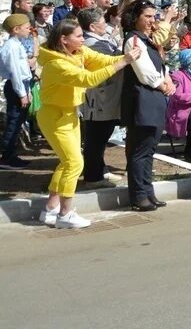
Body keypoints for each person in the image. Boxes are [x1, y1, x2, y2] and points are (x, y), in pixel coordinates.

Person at [34, 20, 142, 228]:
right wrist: (124, 62)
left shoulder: (78, 51)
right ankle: (65, 214)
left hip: (69, 113)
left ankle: (50, 208)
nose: (83, 39)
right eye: (78, 36)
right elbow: (89, 79)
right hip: (54, 116)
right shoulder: (57, 64)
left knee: (67, 162)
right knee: (74, 163)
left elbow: (101, 60)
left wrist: (129, 56)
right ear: (64, 40)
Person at [119, 0, 176, 211]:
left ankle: (148, 191)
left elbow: (160, 65)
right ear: (136, 18)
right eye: (147, 16)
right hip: (142, 98)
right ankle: (138, 195)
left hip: (154, 97)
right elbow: (144, 71)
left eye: (154, 16)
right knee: (139, 150)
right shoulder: (133, 39)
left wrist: (167, 79)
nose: (152, 20)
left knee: (149, 150)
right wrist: (162, 84)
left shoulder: (148, 39)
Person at [79, 9, 125, 187]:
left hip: (104, 96)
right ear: (92, 26)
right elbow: (109, 62)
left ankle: (100, 169)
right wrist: (123, 52)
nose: (105, 25)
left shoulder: (100, 40)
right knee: (96, 137)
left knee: (101, 136)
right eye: (102, 21)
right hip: (98, 97)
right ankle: (93, 176)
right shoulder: (92, 43)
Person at [0, 13, 36, 168]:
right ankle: (6, 157)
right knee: (14, 122)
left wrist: (27, 91)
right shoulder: (11, 47)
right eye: (27, 28)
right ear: (16, 29)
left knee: (18, 121)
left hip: (22, 85)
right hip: (16, 86)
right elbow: (15, 72)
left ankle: (11, 154)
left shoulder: (17, 44)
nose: (29, 30)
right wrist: (22, 93)